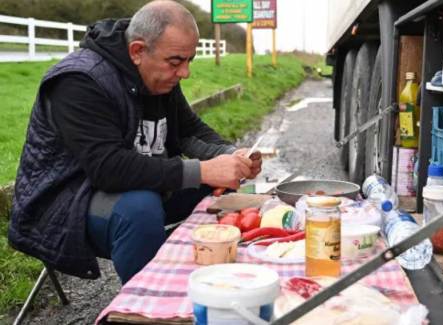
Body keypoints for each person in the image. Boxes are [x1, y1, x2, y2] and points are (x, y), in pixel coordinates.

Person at [8, 0, 262, 284]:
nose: (185, 73)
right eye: (176, 61)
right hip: (65, 201)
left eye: (189, 61)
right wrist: (203, 169)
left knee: (215, 182)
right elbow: (108, 168)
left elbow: (189, 131)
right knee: (140, 208)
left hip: (133, 186)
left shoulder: (159, 76)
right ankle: (148, 304)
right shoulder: (79, 81)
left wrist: (231, 157)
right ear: (138, 51)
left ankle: (202, 273)